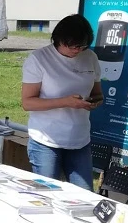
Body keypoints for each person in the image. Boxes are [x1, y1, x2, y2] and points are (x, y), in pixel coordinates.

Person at [21, 14, 103, 191]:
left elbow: (98, 94)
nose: (77, 51)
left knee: (85, 196)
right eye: (72, 46)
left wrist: (94, 102)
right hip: (46, 139)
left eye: (82, 46)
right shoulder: (38, 59)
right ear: (59, 39)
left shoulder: (90, 57)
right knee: (46, 194)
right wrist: (65, 102)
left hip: (80, 139)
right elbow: (28, 103)